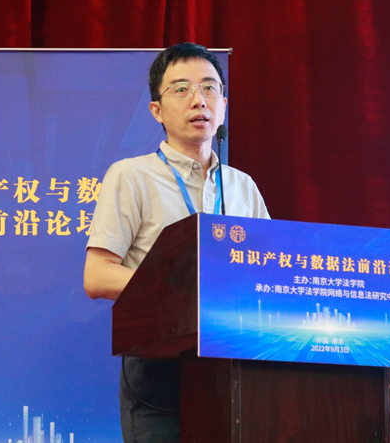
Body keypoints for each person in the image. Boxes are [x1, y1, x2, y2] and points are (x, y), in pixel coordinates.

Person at [83, 42, 270, 443]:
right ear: (157, 110)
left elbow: (269, 272)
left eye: (209, 88)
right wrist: (185, 289)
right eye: (181, 89)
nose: (198, 100)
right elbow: (97, 276)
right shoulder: (131, 176)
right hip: (160, 369)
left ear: (223, 105)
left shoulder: (242, 186)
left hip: (237, 361)